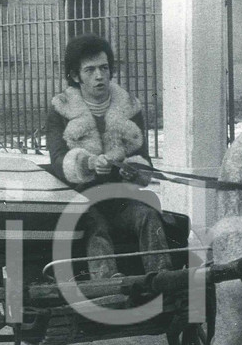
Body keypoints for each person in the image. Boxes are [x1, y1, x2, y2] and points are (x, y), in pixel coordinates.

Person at [46, 33, 169, 280]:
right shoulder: (61, 108)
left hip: (121, 199)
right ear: (74, 76)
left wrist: (132, 169)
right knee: (95, 226)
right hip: (82, 200)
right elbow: (58, 158)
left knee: (148, 216)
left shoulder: (129, 107)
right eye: (89, 70)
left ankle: (163, 279)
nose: (99, 76)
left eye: (104, 68)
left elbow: (143, 158)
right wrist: (87, 163)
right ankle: (107, 284)